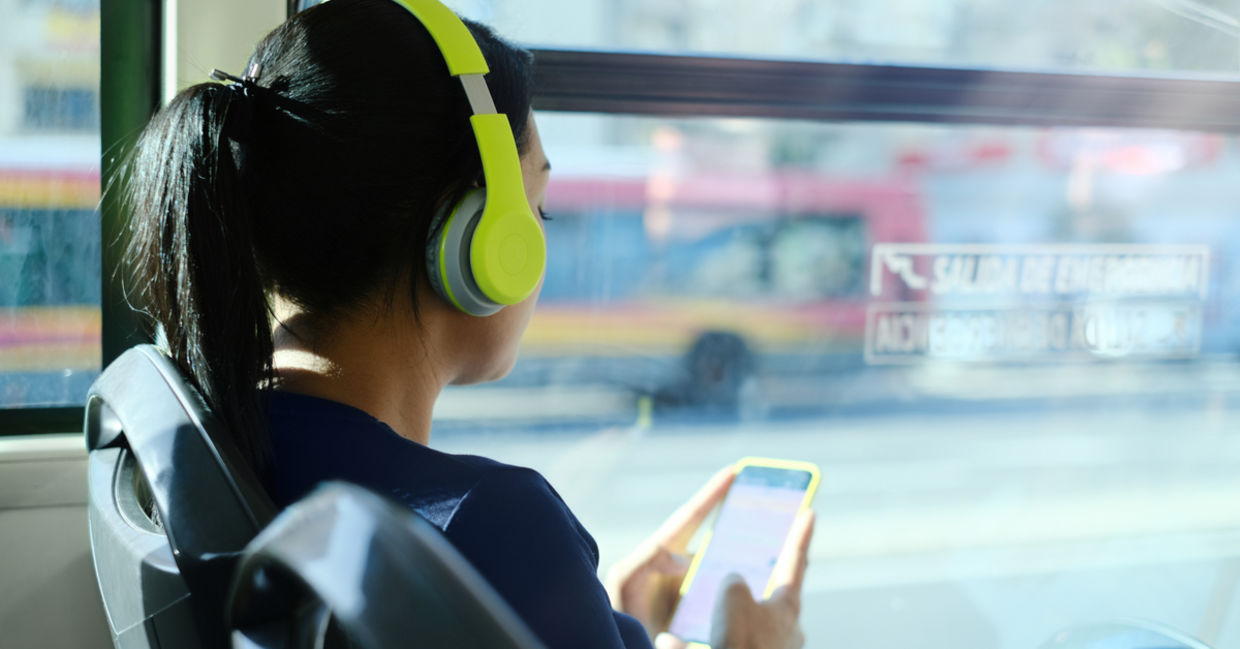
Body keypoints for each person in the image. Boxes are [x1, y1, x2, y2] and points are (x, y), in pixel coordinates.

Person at [123, 0, 814, 647]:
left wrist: (603, 616)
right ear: (477, 242)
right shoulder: (493, 523)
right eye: (536, 210)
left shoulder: (203, 447)